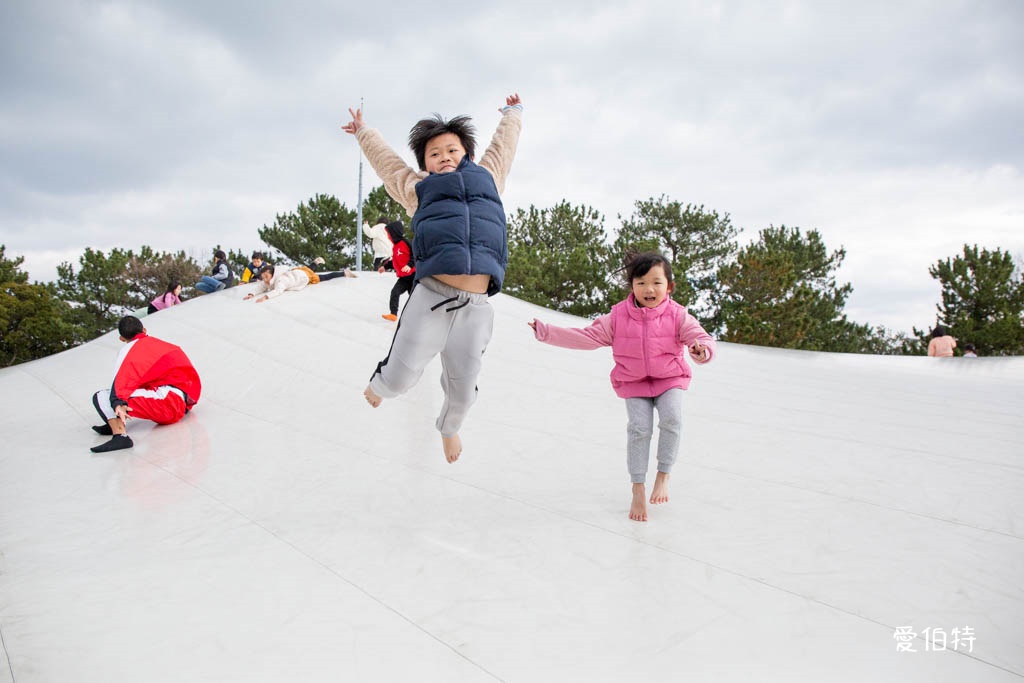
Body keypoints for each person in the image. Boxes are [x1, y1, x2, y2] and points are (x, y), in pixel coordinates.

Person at [341, 92, 524, 463]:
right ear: (425, 163)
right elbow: (388, 164)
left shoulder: (488, 177)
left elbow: (503, 147)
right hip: (431, 299)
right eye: (434, 154)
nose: (444, 157)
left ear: (466, 153)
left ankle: (449, 428)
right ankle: (382, 384)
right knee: (399, 378)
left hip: (476, 308)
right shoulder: (418, 189)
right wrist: (363, 132)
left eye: (452, 150)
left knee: (464, 391)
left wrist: (512, 114)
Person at [528, 252, 715, 522]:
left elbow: (700, 338)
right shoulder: (617, 317)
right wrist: (546, 332)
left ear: (669, 287)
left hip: (669, 379)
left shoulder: (677, 315)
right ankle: (638, 488)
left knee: (672, 418)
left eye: (656, 282)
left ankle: (663, 475)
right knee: (639, 429)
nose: (649, 289)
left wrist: (701, 351)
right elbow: (587, 337)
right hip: (634, 382)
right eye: (641, 283)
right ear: (632, 287)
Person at [89, 315, 202, 453]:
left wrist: (117, 403)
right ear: (144, 330)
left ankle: (120, 435)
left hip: (168, 405)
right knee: (120, 395)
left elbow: (120, 383)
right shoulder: (167, 346)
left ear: (122, 338)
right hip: (180, 401)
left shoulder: (129, 350)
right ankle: (112, 421)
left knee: (102, 397)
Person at [243, 262, 356, 303]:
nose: (265, 279)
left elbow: (278, 291)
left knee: (324, 277)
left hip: (303, 277)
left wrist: (265, 297)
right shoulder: (269, 280)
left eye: (266, 277)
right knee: (309, 268)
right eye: (263, 277)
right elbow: (261, 286)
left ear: (273, 274)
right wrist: (251, 294)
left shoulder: (281, 280)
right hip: (297, 271)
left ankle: (344, 273)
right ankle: (316, 262)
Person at [378, 220, 416, 321]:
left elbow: (415, 255)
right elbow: (395, 262)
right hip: (403, 278)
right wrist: (385, 267)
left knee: (414, 297)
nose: (388, 236)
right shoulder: (395, 247)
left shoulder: (405, 243)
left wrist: (409, 265)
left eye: (388, 234)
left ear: (394, 233)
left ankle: (418, 315)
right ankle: (393, 314)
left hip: (413, 276)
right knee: (395, 292)